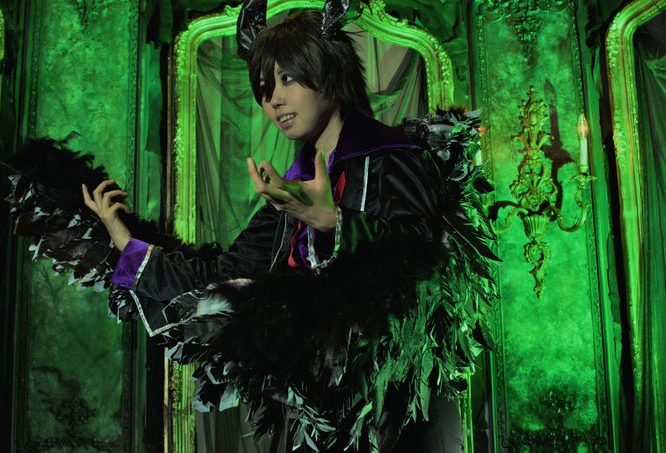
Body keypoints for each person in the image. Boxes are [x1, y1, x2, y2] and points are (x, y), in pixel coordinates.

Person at [78, 6, 493, 453]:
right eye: (263, 89)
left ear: (330, 73)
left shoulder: (396, 157)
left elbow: (425, 259)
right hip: (322, 417)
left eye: (287, 79)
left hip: (401, 411)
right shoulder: (289, 198)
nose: (273, 100)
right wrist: (124, 242)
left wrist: (333, 222)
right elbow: (223, 277)